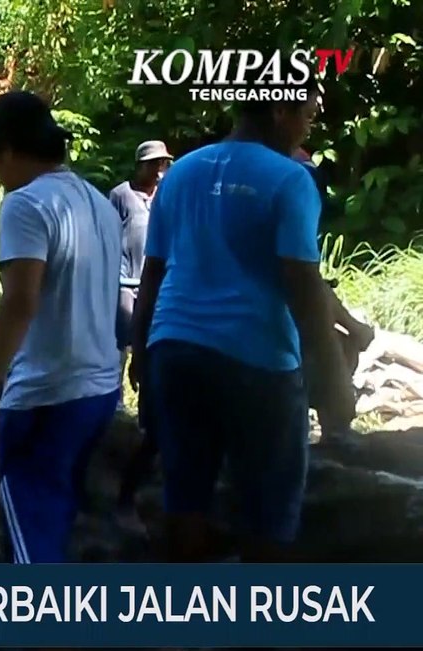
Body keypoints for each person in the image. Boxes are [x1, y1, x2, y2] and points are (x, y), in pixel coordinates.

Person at [129, 80, 354, 565]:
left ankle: (184, 608)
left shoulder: (181, 172)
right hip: (256, 359)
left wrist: (142, 356)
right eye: (306, 116)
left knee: (185, 494)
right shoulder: (290, 178)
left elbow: (153, 272)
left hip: (175, 349)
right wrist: (334, 380)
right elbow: (303, 284)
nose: (308, 127)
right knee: (268, 509)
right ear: (279, 111)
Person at [0, 91, 122, 651]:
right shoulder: (97, 201)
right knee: (54, 518)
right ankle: (52, 647)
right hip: (99, 386)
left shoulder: (25, 203)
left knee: (32, 529)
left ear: (6, 151)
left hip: (49, 395)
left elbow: (20, 303)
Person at [109, 140, 173, 536]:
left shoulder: (165, 196)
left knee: (148, 342)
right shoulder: (121, 195)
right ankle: (115, 402)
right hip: (124, 279)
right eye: (152, 164)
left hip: (156, 280)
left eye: (162, 163)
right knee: (122, 339)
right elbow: (108, 234)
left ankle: (146, 410)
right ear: (140, 165)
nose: (158, 170)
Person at [293, 147, 375, 443]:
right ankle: (332, 437)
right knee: (338, 348)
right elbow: (308, 286)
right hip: (265, 335)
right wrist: (339, 385)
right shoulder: (289, 195)